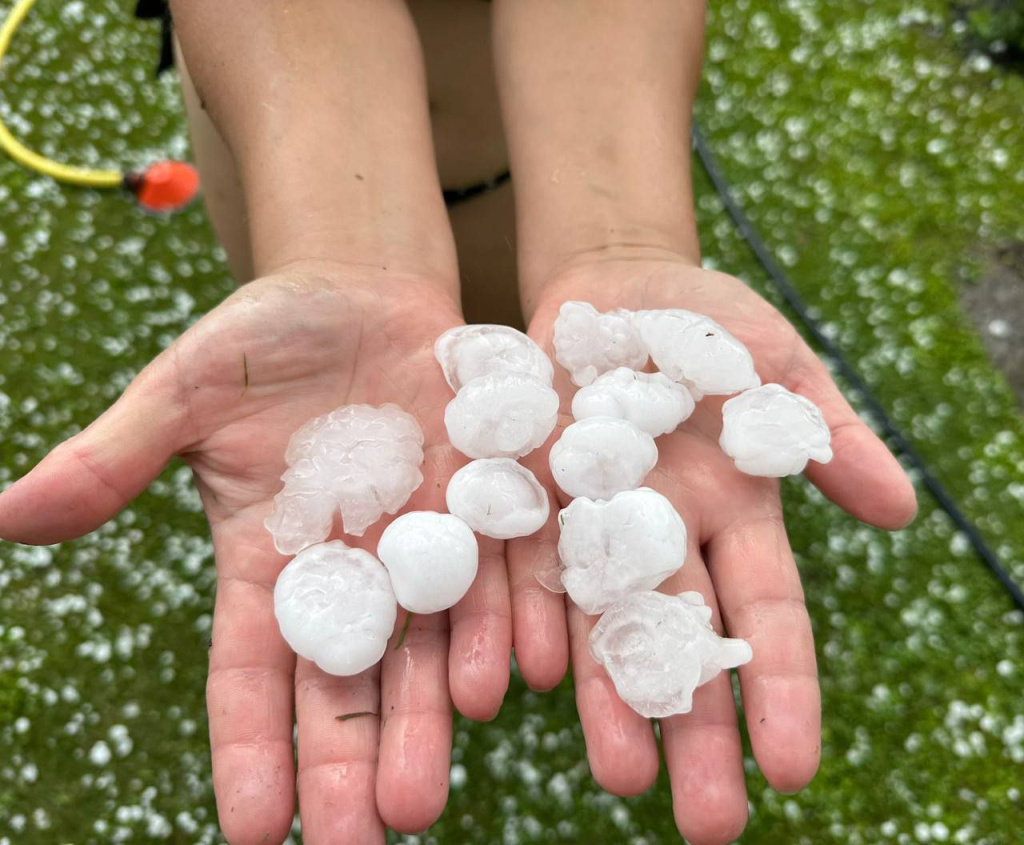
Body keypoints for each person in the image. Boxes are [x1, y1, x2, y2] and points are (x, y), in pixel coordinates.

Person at [0, 2, 917, 843]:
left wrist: (618, 238)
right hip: (276, 72)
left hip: (526, 110)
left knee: (494, 275)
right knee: (361, 293)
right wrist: (339, 240)